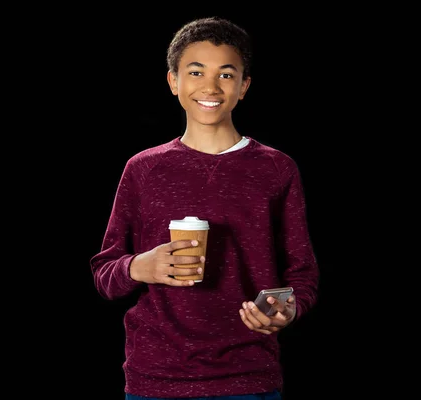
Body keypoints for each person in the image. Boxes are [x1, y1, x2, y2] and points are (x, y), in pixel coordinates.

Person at [90, 16, 319, 400]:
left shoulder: (277, 168)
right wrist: (138, 266)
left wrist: (288, 310)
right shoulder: (143, 168)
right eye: (195, 72)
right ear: (173, 82)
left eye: (226, 75)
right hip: (155, 380)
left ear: (244, 86)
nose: (210, 86)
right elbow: (104, 273)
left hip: (249, 377)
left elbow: (303, 274)